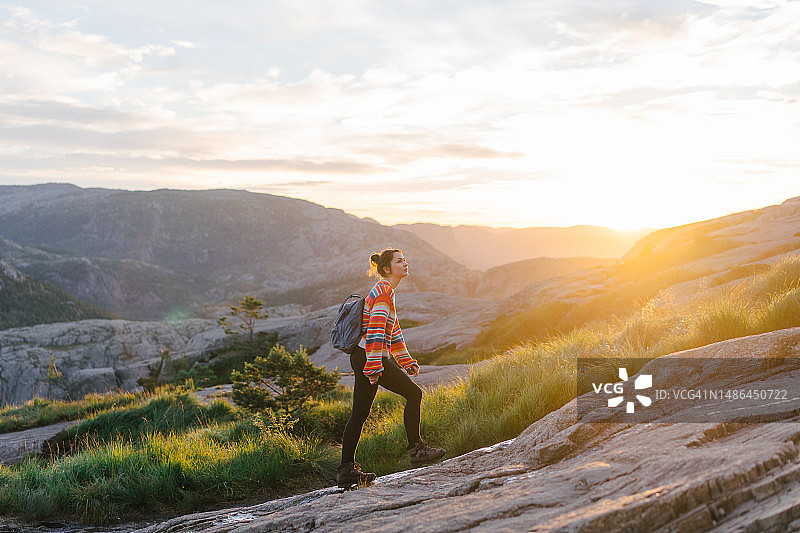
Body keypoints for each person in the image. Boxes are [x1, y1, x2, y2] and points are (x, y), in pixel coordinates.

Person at [337, 248, 446, 488]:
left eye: (405, 259)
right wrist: (374, 367)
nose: (405, 263)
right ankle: (416, 450)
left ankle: (346, 471)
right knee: (414, 394)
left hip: (364, 355)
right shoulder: (384, 291)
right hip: (369, 356)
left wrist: (407, 362)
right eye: (400, 261)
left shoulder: (386, 291)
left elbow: (393, 332)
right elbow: (376, 330)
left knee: (359, 414)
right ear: (387, 269)